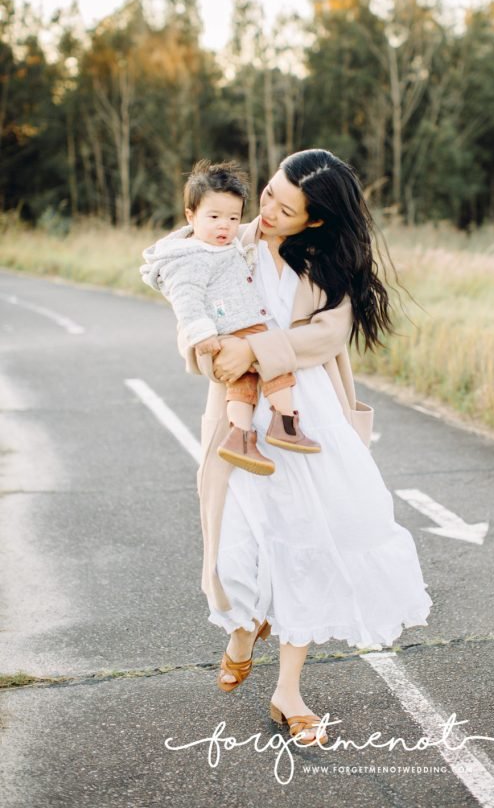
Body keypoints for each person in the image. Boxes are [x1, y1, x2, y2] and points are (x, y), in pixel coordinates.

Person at [178, 148, 433, 746]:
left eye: (283, 208)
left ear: (312, 221)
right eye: (267, 194)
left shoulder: (325, 264)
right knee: (232, 558)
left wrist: (258, 352)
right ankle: (244, 630)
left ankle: (287, 690)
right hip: (240, 420)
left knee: (310, 547)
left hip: (305, 422)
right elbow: (182, 295)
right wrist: (213, 351)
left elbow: (327, 335)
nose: (264, 211)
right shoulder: (221, 238)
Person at [140, 159, 321, 475]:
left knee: (245, 382)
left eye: (233, 217)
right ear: (190, 216)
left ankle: (240, 435)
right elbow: (186, 299)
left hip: (238, 323)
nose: (225, 226)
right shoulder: (191, 256)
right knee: (275, 367)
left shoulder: (225, 243)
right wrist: (202, 333)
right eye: (214, 217)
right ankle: (286, 423)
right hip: (236, 325)